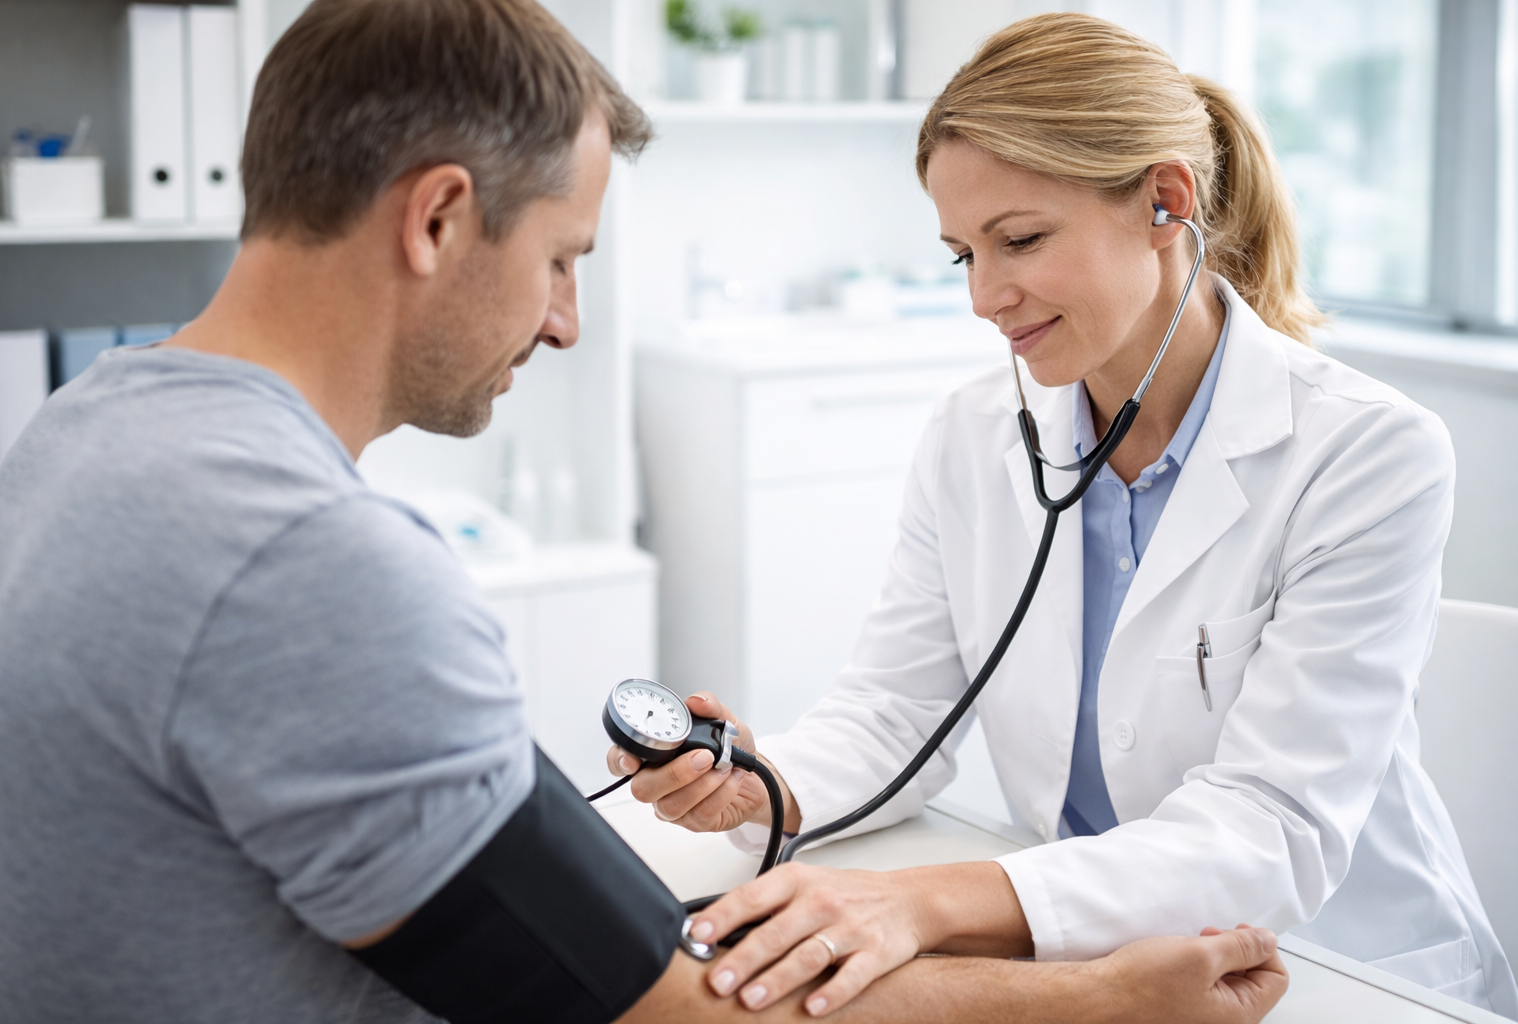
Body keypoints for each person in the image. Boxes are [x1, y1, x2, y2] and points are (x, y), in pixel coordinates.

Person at [0, 1, 1287, 1022]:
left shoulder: (83, 427)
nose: (565, 322)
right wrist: (1097, 1001)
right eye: (562, 259)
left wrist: (774, 798)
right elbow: (664, 1007)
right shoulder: (311, 565)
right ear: (438, 218)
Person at [611, 11, 1518, 1022]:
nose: (983, 297)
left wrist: (922, 902)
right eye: (962, 254)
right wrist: (767, 783)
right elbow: (895, 712)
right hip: (1094, 960)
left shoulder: (1367, 452)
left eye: (1020, 241)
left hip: (1337, 973)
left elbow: (1270, 824)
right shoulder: (972, 434)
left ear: (1166, 202)